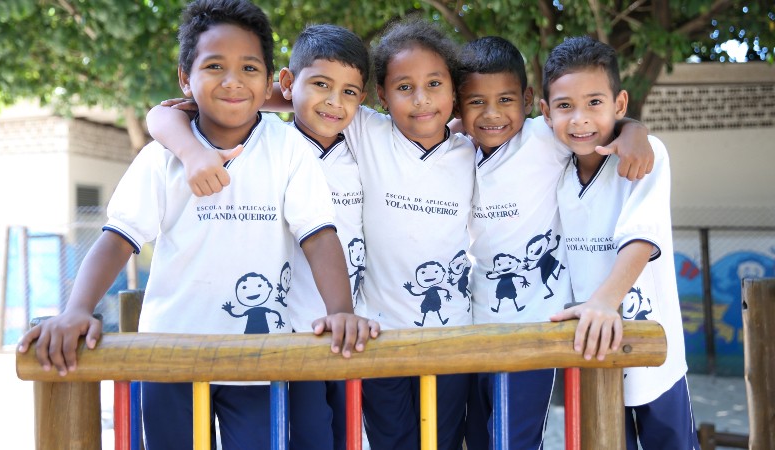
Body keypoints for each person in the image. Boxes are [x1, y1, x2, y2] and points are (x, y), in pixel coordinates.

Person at [17, 1, 378, 449]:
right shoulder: (161, 157)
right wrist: (76, 311)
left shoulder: (287, 148)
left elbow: (319, 236)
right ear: (185, 79)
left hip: (259, 361)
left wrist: (340, 310)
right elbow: (118, 238)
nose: (233, 81)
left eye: (249, 67)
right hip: (170, 357)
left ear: (269, 82)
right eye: (214, 66)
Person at [146, 23, 370, 450]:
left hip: (344, 330)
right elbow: (164, 113)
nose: (334, 101)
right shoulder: (273, 140)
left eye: (349, 92)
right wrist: (193, 126)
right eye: (321, 85)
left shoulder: (364, 135)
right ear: (288, 83)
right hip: (290, 336)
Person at [457, 36, 655, 450]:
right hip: (473, 324)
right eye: (476, 102)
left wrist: (636, 129)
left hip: (535, 329)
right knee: (477, 436)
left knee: (513, 438)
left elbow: (593, 124)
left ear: (531, 102)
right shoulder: (457, 150)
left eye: (505, 99)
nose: (492, 114)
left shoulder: (542, 139)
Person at [542, 35, 698, 449]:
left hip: (652, 353)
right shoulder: (553, 166)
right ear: (545, 112)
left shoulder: (646, 157)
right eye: (564, 106)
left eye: (595, 102)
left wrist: (603, 301)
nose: (580, 119)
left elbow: (641, 239)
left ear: (620, 104)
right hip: (591, 351)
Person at [341, 18, 473, 450]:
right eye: (404, 87)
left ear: (454, 90)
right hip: (379, 338)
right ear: (381, 95)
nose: (421, 100)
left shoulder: (473, 151)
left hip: (451, 337)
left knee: (445, 441)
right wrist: (192, 106)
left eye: (435, 84)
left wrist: (633, 129)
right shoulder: (367, 130)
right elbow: (311, 96)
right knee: (393, 442)